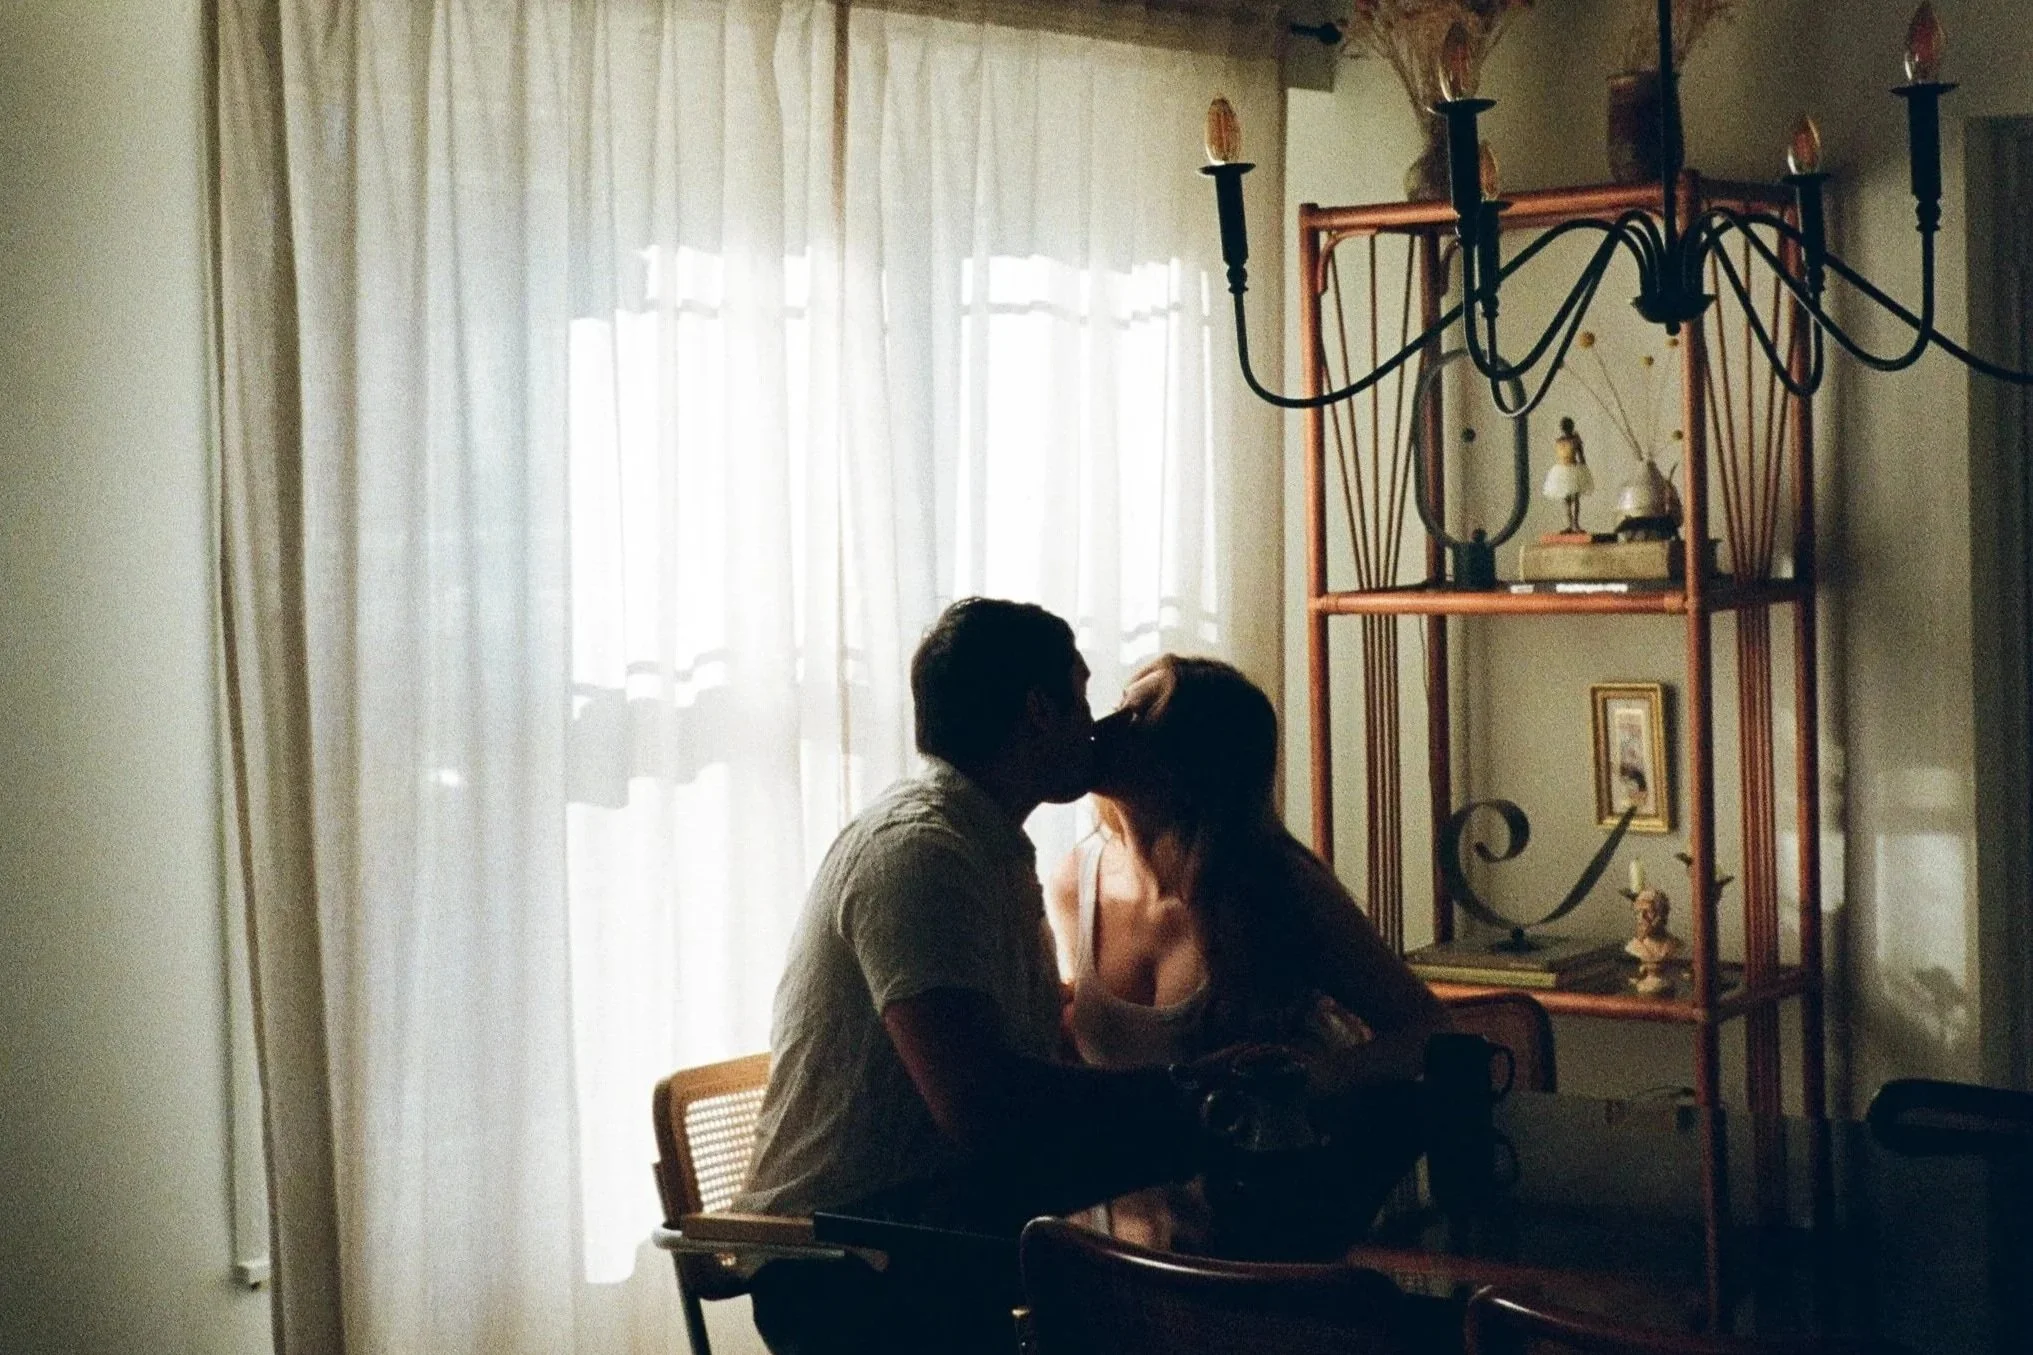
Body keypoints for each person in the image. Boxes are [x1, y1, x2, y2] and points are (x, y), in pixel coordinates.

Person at [735, 599, 1205, 1355]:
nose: (1093, 727)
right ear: (1037, 710)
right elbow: (979, 1104)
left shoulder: (980, 845)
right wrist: (1187, 1087)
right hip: (848, 1262)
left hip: (928, 1226)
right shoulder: (921, 856)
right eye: (1081, 700)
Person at [1047, 654, 1447, 1097]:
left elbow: (1427, 1028)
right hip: (1138, 1164)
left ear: (1198, 758)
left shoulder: (1278, 887)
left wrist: (1316, 1077)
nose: (1107, 724)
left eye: (1142, 716)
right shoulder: (1076, 882)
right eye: (1122, 703)